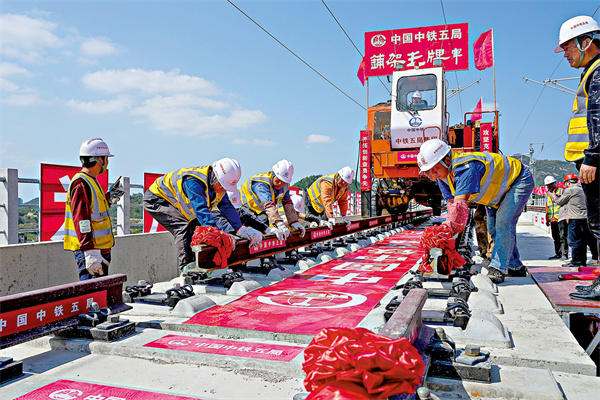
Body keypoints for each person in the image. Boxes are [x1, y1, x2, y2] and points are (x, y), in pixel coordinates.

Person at [417, 139, 534, 284]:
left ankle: (498, 267)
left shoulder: (466, 168)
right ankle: (515, 266)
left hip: (517, 180)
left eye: (434, 169)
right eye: (429, 172)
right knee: (493, 229)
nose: (433, 175)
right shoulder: (444, 177)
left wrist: (443, 236)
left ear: (447, 160)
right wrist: (444, 234)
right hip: (496, 194)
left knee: (504, 224)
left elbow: (459, 211)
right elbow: (451, 207)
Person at [143, 158, 263, 272]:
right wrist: (218, 234)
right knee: (182, 227)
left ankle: (200, 263)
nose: (222, 189)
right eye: (222, 186)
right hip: (156, 199)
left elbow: (227, 208)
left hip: (170, 201)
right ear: (215, 178)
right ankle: (186, 268)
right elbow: (201, 210)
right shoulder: (194, 181)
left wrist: (240, 229)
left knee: (197, 227)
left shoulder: (219, 186)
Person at [556, 15, 600, 259]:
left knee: (598, 224)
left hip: (594, 162)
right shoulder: (592, 71)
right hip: (591, 160)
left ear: (585, 42)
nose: (565, 54)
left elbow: (598, 117)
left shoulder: (598, 72)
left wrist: (592, 157)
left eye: (567, 47)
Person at [64, 138, 122, 281]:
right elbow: (82, 219)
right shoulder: (81, 183)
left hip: (99, 249)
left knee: (98, 295)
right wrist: (90, 252)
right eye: (106, 158)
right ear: (99, 160)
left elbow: (95, 211)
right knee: (91, 296)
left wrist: (109, 198)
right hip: (92, 250)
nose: (107, 162)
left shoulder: (90, 181)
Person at [240, 159, 305, 239]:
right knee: (258, 226)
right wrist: (279, 223)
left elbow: (288, 203)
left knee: (263, 224)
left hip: (259, 210)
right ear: (274, 174)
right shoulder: (261, 183)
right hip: (243, 208)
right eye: (278, 179)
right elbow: (268, 204)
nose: (280, 183)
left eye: (283, 181)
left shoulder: (285, 186)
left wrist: (294, 222)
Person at [550, 173, 589, 267]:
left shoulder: (570, 190)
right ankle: (582, 261)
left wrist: (553, 197)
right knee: (582, 241)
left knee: (574, 241)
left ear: (568, 182)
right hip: (584, 218)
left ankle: (576, 262)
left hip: (574, 219)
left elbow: (559, 202)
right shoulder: (581, 189)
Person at [544, 175, 568, 260]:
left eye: (551, 184)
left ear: (555, 183)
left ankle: (564, 254)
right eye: (548, 185)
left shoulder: (562, 191)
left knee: (562, 236)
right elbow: (547, 206)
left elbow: (566, 203)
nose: (550, 186)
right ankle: (558, 253)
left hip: (561, 217)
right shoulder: (547, 194)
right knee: (555, 237)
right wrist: (547, 219)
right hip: (552, 219)